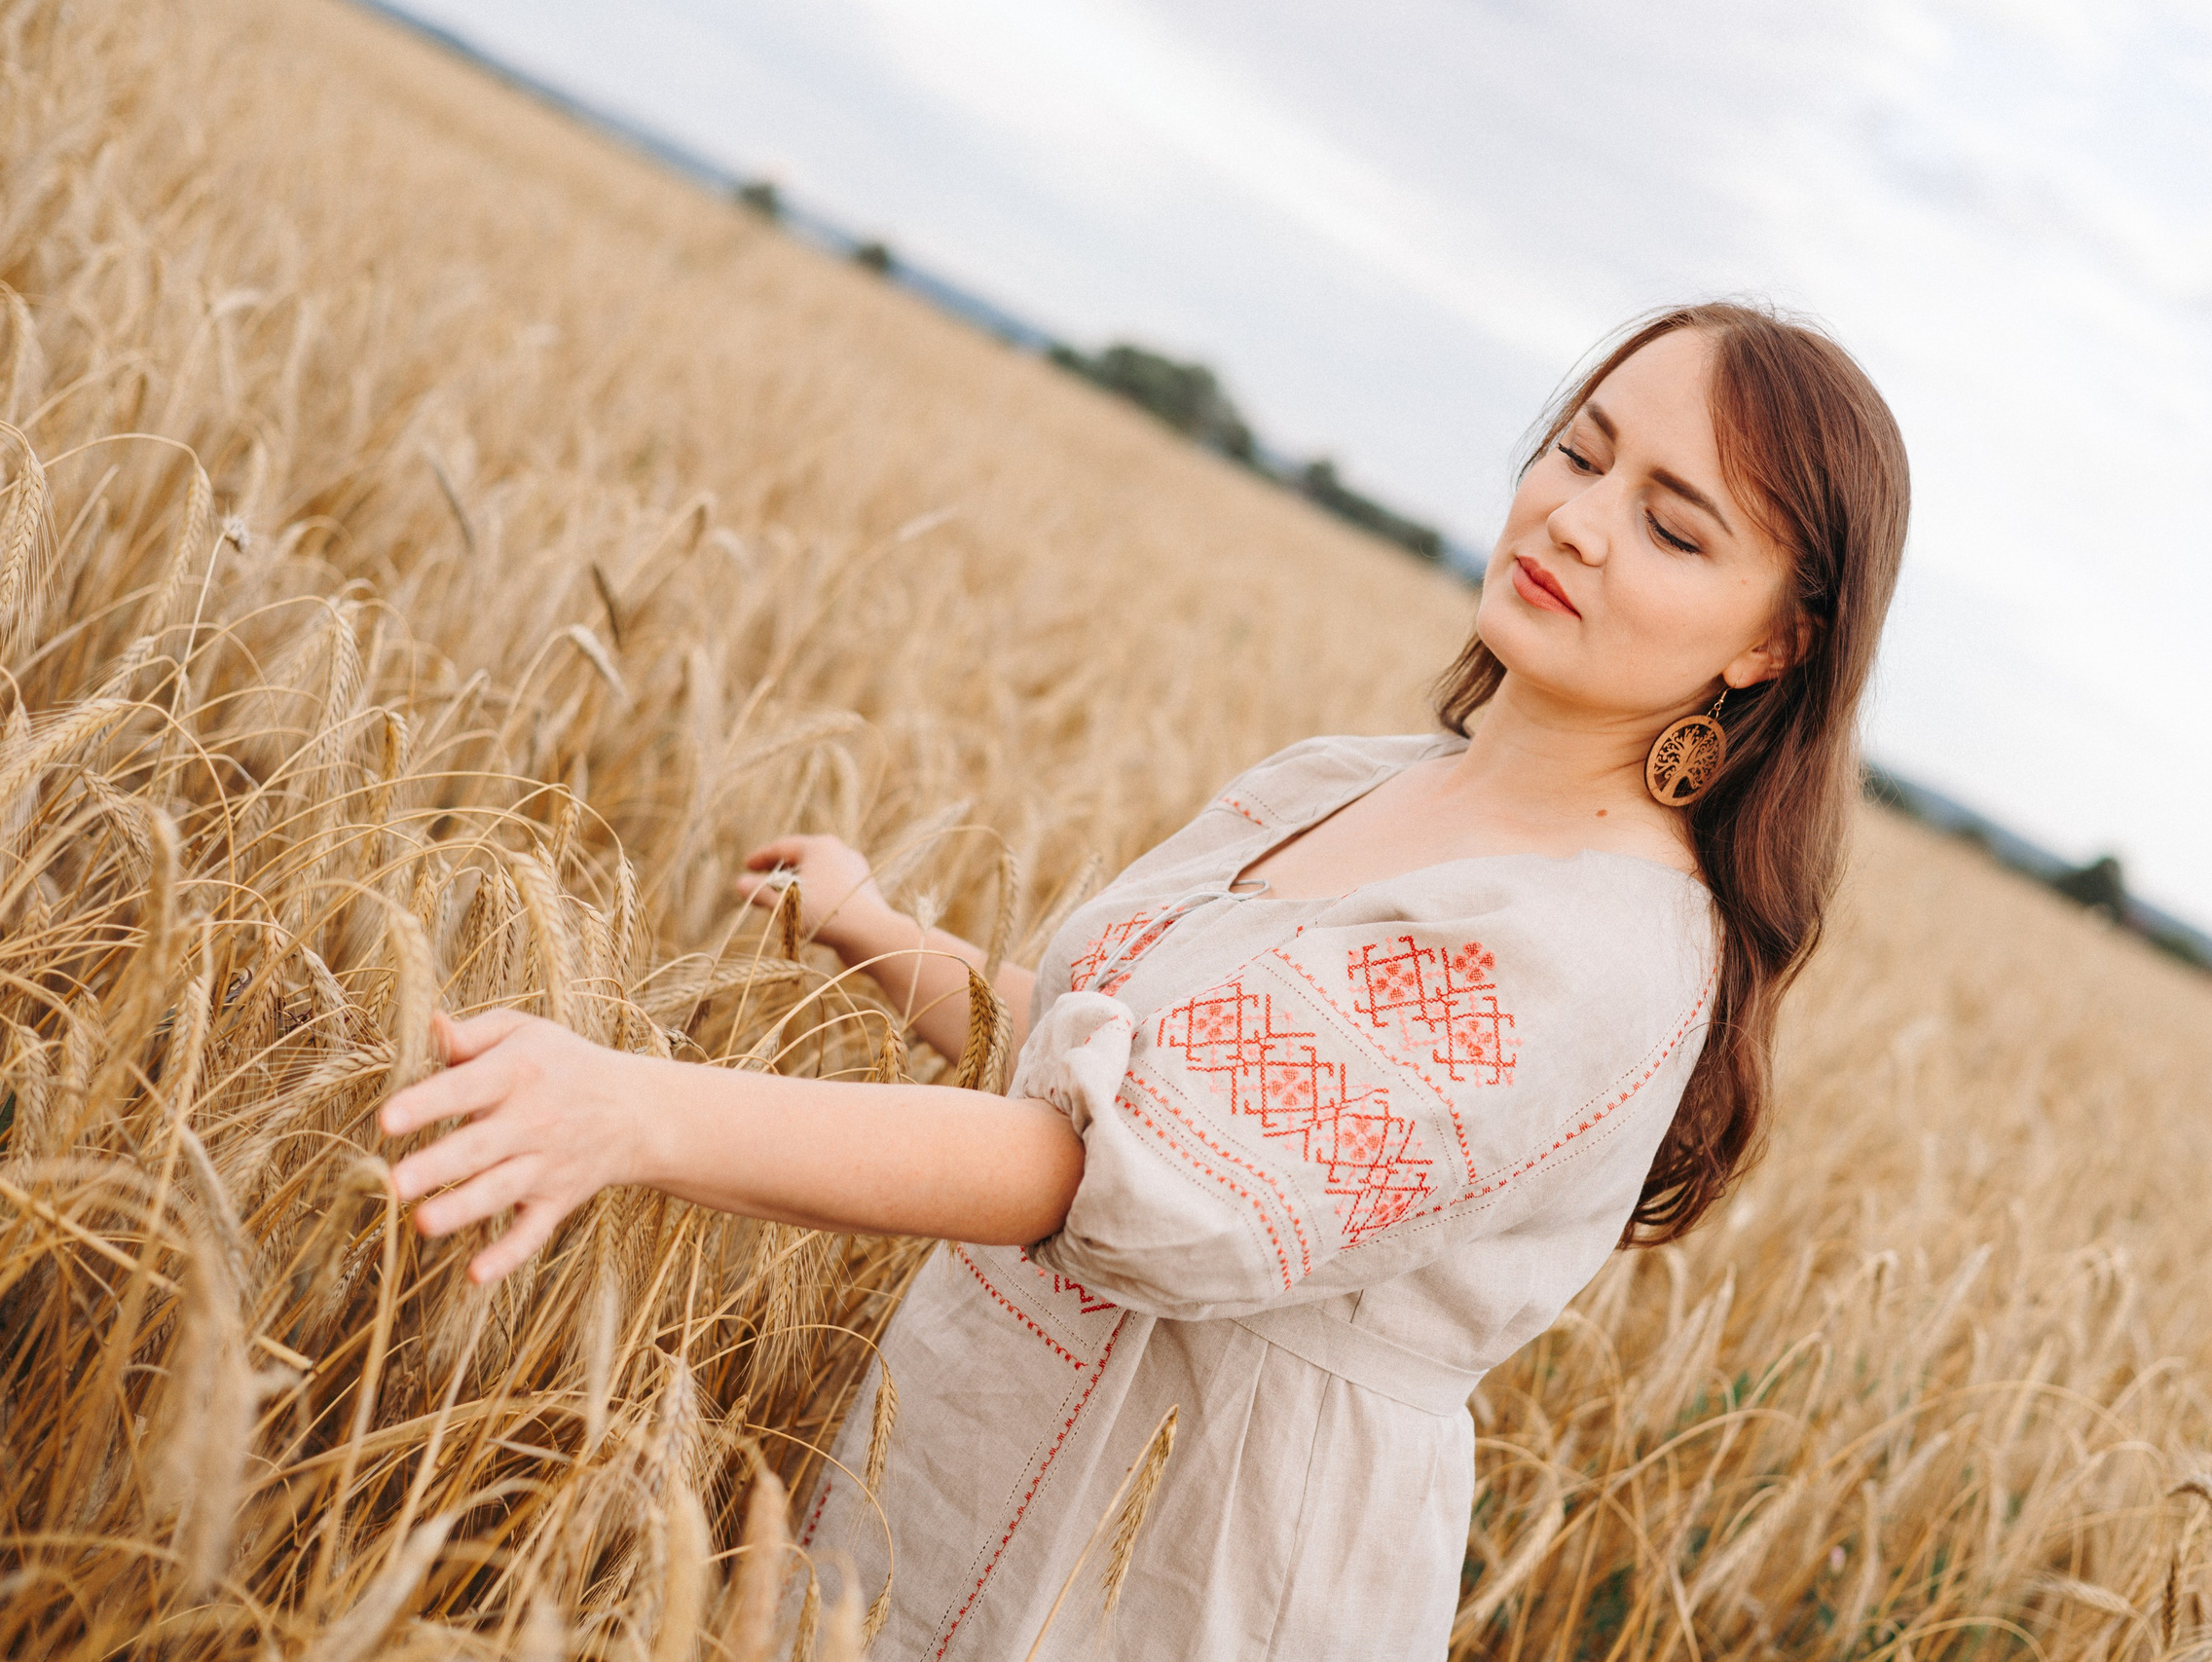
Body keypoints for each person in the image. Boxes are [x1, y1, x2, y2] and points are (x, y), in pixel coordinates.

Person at [377, 301, 1910, 1659]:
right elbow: (1107, 1062)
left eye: (1674, 525)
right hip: (968, 1441)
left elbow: (1103, 1165)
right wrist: (879, 930)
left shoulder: (1596, 949)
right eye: (1579, 454)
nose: (1576, 520)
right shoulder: (1339, 781)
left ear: (1777, 642)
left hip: (1194, 1564)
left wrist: (637, 1112)